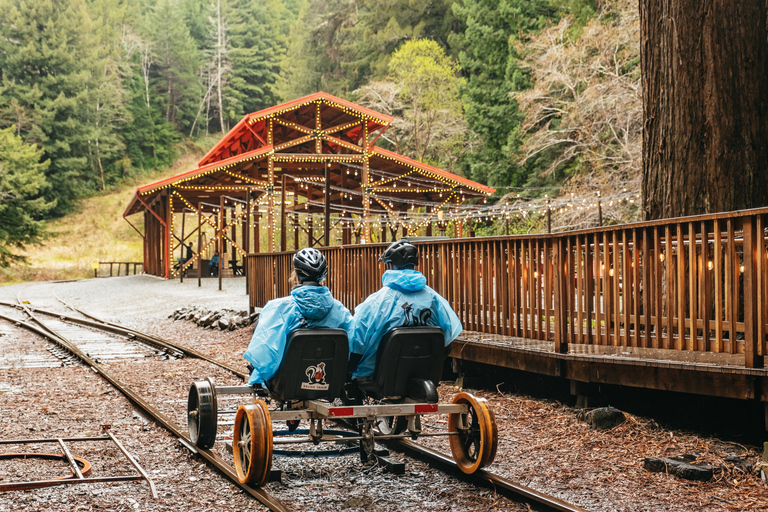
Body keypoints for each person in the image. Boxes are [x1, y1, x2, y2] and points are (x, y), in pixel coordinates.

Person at [349, 240, 463, 380]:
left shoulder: (377, 301)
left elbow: (356, 343)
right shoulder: (434, 298)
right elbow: (447, 339)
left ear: (390, 265)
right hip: (424, 371)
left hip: (381, 375)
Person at [244, 248, 354, 386]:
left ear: (296, 275)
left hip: (285, 384)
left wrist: (257, 376)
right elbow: (353, 349)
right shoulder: (341, 312)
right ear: (323, 277)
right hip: (328, 382)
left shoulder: (278, 308)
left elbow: (262, 356)